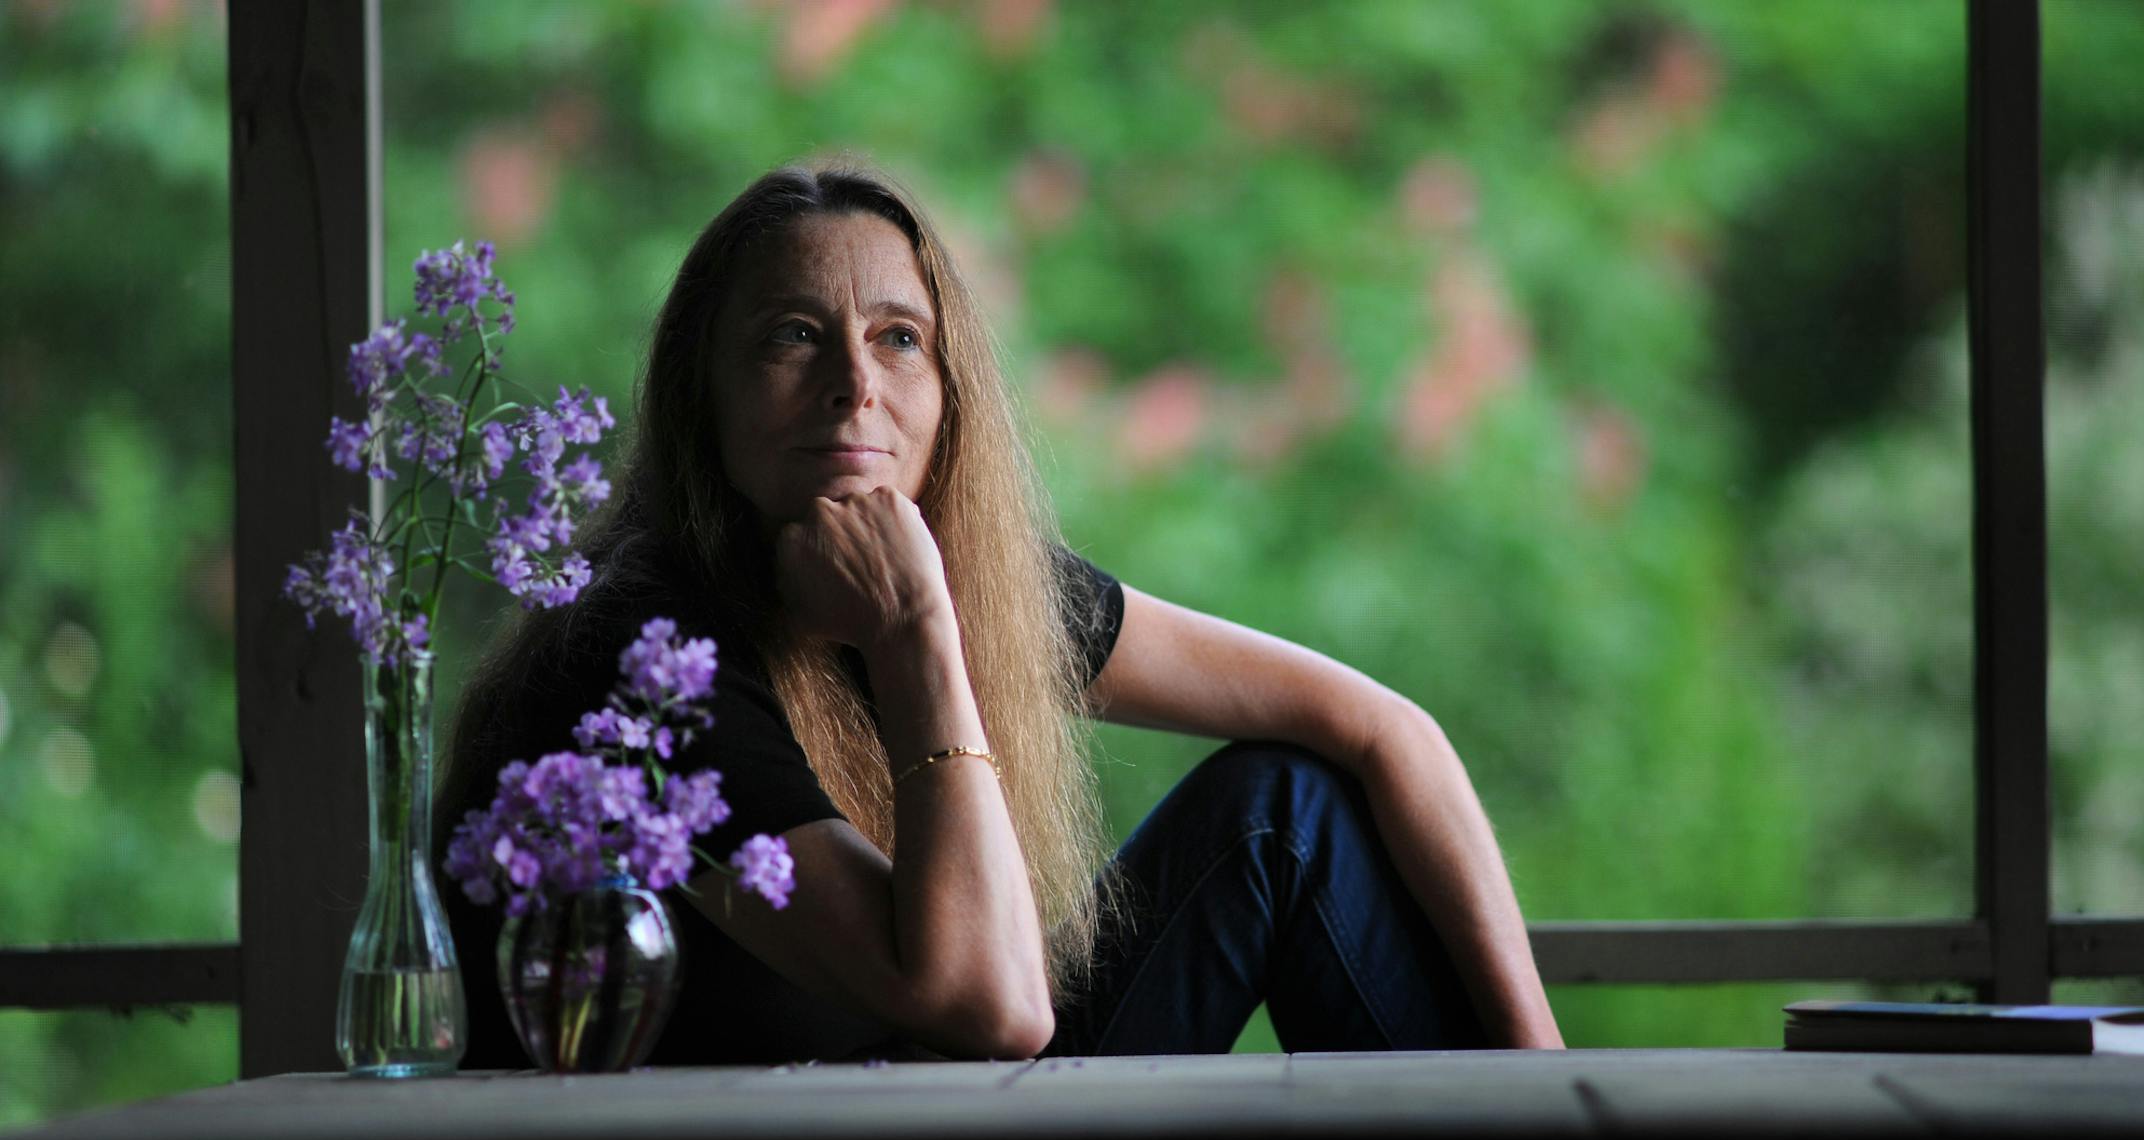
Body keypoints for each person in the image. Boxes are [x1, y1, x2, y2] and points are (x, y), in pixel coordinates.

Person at [434, 159, 1565, 1066]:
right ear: (704, 400)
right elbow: (990, 1009)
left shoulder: (984, 578)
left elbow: (1379, 727)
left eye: (898, 338)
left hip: (948, 1107)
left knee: (1284, 810)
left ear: (948, 391)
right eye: (790, 336)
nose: (854, 384)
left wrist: (1541, 1077)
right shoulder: (641, 657)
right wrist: (917, 628)